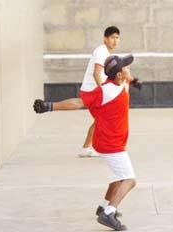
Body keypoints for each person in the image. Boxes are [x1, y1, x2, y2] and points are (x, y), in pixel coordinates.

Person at [34, 26, 120, 158]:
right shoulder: (102, 51)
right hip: (94, 89)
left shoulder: (107, 54)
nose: (115, 40)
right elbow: (97, 72)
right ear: (105, 39)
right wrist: (103, 90)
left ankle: (87, 148)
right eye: (113, 37)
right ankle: (48, 106)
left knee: (101, 119)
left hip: (96, 89)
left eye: (117, 38)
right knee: (92, 111)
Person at [81, 54, 137, 231]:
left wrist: (133, 79)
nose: (129, 69)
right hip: (111, 145)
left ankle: (103, 207)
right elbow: (79, 102)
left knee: (117, 178)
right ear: (119, 75)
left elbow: (127, 78)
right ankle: (108, 213)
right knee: (129, 180)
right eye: (126, 68)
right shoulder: (107, 91)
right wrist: (50, 106)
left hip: (113, 142)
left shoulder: (121, 83)